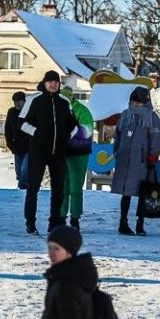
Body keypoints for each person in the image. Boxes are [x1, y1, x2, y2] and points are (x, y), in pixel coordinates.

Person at [21, 70, 78, 235]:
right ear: (44, 83)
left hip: (58, 152)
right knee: (33, 188)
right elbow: (21, 122)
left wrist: (68, 136)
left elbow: (74, 125)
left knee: (58, 190)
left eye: (56, 82)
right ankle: (30, 223)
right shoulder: (34, 100)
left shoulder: (64, 102)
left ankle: (54, 223)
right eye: (50, 81)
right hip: (38, 151)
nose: (53, 84)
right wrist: (35, 132)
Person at [110, 86, 160, 236]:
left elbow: (155, 139)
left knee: (142, 192)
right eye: (133, 102)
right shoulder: (126, 115)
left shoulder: (151, 117)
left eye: (138, 102)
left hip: (142, 161)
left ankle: (140, 224)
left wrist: (153, 157)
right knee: (125, 192)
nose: (135, 105)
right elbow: (118, 135)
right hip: (124, 160)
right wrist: (117, 151)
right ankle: (123, 222)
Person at [59, 87, 94, 230]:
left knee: (75, 187)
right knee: (62, 187)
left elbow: (87, 130)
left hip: (79, 154)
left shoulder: (81, 111)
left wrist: (70, 132)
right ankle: (61, 216)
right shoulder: (57, 109)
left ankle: (75, 218)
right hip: (62, 153)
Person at [4, 91, 30, 189]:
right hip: (17, 146)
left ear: (24, 101)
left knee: (24, 170)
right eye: (15, 101)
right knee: (19, 172)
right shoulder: (11, 112)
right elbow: (7, 129)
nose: (16, 103)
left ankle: (24, 188)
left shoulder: (30, 111)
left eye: (19, 101)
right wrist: (10, 143)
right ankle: (25, 187)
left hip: (29, 147)